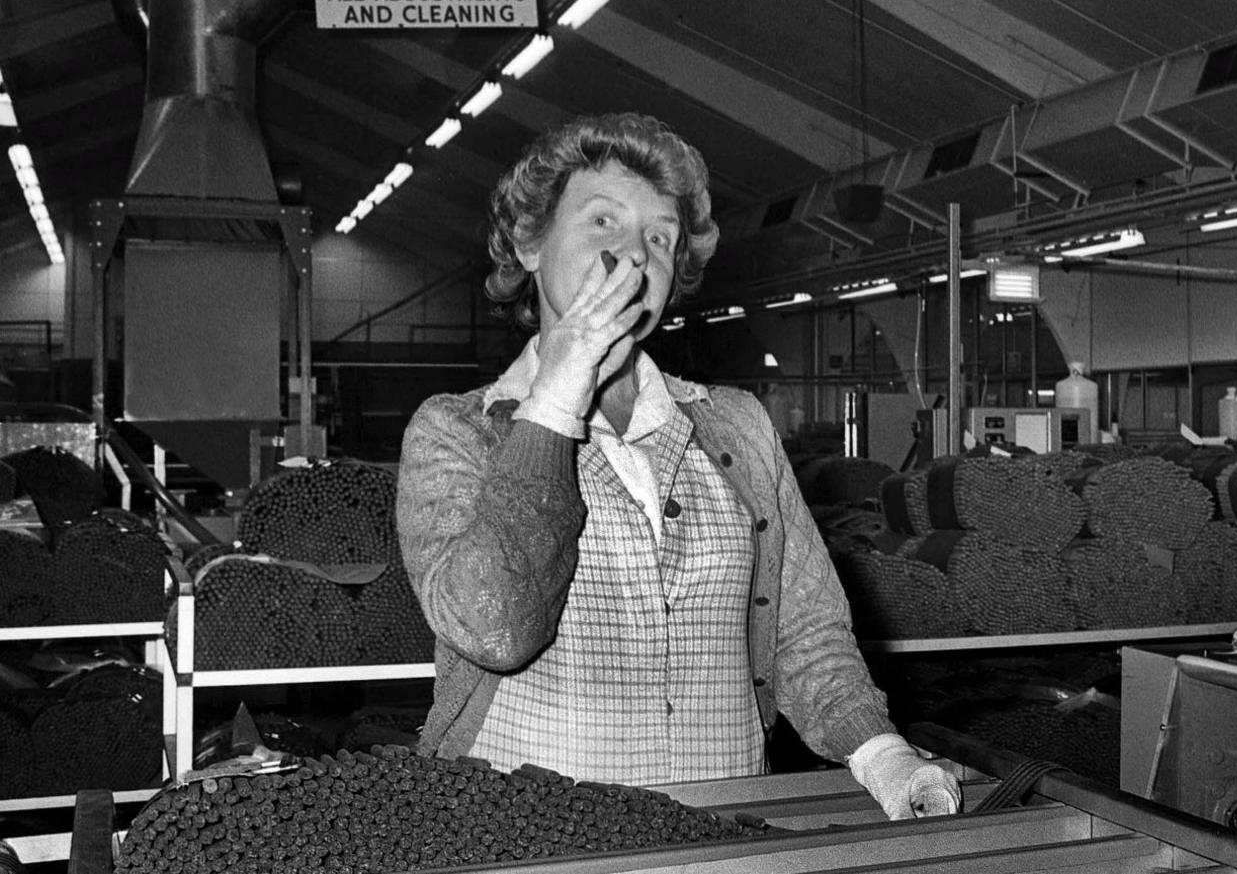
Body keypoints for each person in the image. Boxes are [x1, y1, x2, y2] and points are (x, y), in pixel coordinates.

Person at [396, 113, 959, 820]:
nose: (633, 255)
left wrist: (883, 757)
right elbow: (495, 628)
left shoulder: (737, 428)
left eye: (659, 237)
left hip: (718, 836)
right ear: (529, 242)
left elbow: (806, 631)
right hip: (528, 844)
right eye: (603, 220)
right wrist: (557, 395)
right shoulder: (457, 432)